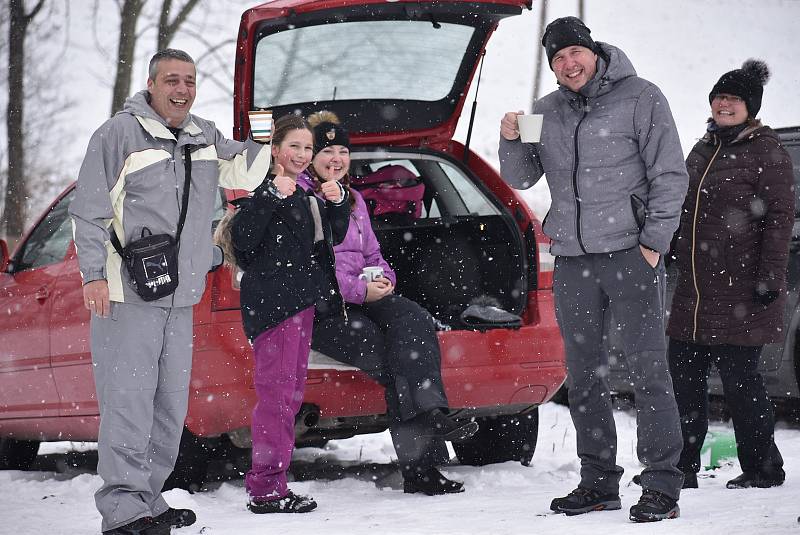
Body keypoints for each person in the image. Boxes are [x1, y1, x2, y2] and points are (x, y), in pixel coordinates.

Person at [70, 49, 272, 534]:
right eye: (172, 80)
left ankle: (148, 499)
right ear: (151, 84)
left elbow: (244, 173)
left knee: (169, 406)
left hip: (180, 297)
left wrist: (265, 134)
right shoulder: (118, 135)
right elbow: (88, 210)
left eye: (190, 81)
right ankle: (122, 512)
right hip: (127, 294)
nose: (182, 90)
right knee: (128, 401)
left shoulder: (203, 135)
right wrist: (94, 274)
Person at [498, 17, 689, 522]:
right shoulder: (548, 110)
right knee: (584, 377)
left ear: (594, 51)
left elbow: (670, 173)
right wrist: (512, 137)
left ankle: (662, 485)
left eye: (574, 53)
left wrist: (653, 243)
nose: (568, 64)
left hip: (631, 254)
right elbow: (520, 174)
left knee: (648, 371)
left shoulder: (642, 97)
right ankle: (598, 481)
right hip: (574, 261)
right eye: (558, 59)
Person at [303, 111, 479, 495]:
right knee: (392, 355)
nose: (336, 158)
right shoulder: (301, 200)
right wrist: (358, 290)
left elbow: (373, 253)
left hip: (365, 296)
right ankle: (424, 462)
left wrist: (384, 279)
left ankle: (432, 416)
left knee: (414, 319)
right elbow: (310, 270)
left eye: (342, 151)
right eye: (326, 150)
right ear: (309, 157)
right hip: (323, 310)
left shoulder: (353, 199)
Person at [666, 60, 793, 490]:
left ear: (750, 107)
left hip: (741, 290)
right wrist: (670, 242)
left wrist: (769, 279)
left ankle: (763, 469)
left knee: (742, 385)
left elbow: (780, 220)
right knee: (683, 380)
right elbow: (684, 203)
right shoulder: (705, 146)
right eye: (720, 97)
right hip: (695, 290)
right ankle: (681, 468)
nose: (724, 104)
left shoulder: (766, 152)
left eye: (734, 99)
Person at [222, 114, 350, 514]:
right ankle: (265, 489)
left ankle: (274, 482)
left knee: (290, 397)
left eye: (308, 148)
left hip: (301, 304)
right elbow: (242, 242)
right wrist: (270, 196)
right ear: (275, 149)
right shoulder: (262, 189)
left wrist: (339, 203)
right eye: (294, 145)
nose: (302, 154)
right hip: (274, 309)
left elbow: (333, 237)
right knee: (277, 399)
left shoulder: (304, 192)